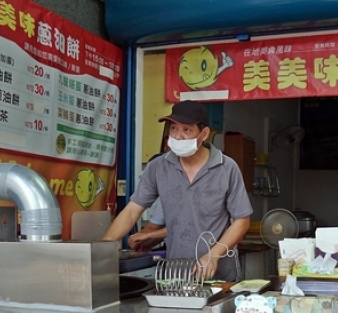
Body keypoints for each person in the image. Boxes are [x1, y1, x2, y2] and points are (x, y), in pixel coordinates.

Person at [103, 101, 252, 281]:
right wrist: (101, 249)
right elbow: (132, 211)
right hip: (176, 273)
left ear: (204, 134)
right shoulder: (157, 167)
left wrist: (214, 254)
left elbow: (242, 221)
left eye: (187, 130)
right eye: (174, 128)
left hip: (219, 275)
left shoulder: (227, 168)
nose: (178, 136)